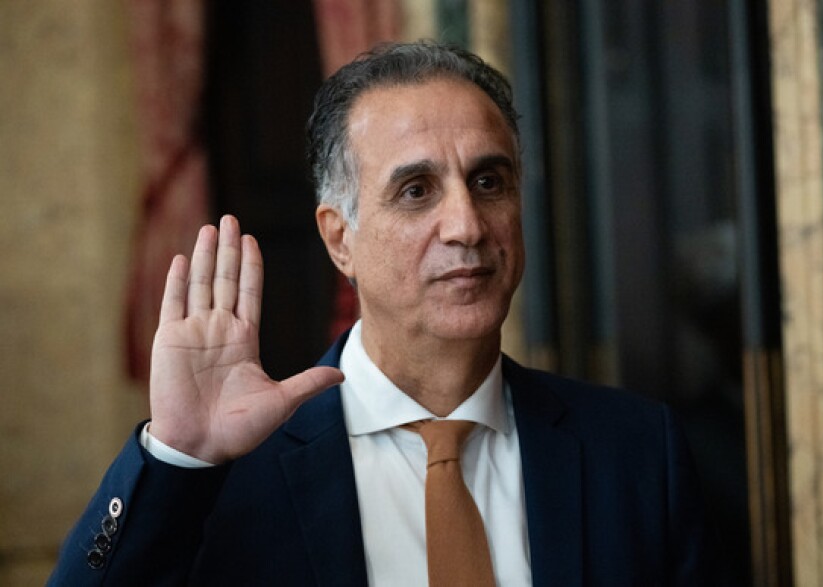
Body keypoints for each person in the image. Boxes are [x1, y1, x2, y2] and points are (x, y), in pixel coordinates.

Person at [50, 42, 719, 586]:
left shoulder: (635, 452)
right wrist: (176, 459)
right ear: (340, 238)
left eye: (489, 181)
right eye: (416, 189)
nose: (466, 224)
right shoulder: (227, 473)